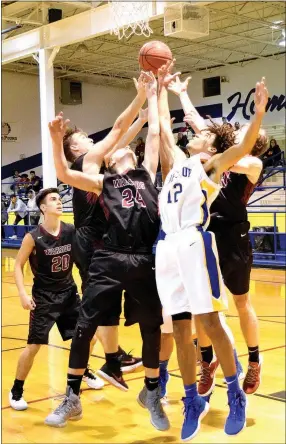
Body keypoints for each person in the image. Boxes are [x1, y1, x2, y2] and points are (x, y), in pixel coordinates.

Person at [45, 71, 171, 431]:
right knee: (86, 324)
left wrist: (153, 96)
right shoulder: (103, 181)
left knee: (151, 327)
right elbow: (64, 173)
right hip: (109, 256)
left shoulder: (147, 173)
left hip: (144, 258)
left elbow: (157, 134)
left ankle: (151, 392)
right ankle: (72, 396)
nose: (125, 148)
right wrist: (56, 141)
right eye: (119, 149)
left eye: (129, 146)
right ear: (113, 159)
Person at [156, 66, 268, 440]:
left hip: (196, 241)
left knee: (210, 321)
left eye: (203, 133)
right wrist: (156, 89)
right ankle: (192, 399)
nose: (195, 132)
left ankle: (236, 391)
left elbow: (241, 146)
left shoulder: (213, 165)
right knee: (182, 328)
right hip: (167, 245)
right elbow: (161, 128)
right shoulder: (176, 161)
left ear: (212, 147)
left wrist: (259, 115)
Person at [65, 107, 149, 375]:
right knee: (96, 302)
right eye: (83, 139)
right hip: (89, 238)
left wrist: (142, 120)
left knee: (103, 299)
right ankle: (109, 358)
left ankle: (104, 360)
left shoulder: (98, 165)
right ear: (75, 150)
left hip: (97, 239)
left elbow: (120, 143)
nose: (90, 139)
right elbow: (116, 136)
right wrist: (138, 114)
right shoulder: (83, 164)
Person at [9, 188, 104, 411]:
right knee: (33, 347)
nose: (59, 202)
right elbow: (17, 265)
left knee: (90, 336)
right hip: (44, 298)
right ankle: (16, 390)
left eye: (60, 199)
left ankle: (83, 369)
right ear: (43, 208)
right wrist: (23, 293)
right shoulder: (33, 237)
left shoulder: (71, 231)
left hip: (69, 293)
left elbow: (83, 258)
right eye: (54, 199)